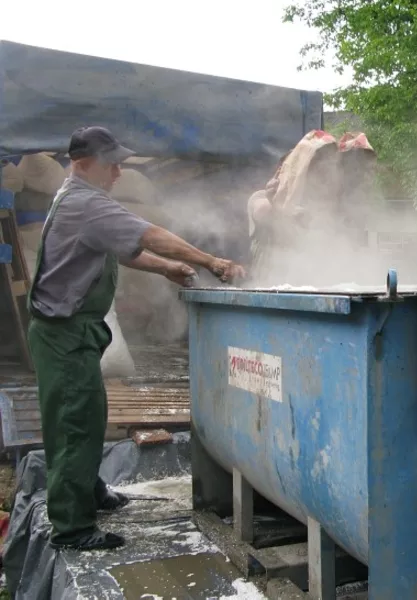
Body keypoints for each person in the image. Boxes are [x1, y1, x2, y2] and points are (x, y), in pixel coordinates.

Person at [27, 126, 245, 551]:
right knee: (74, 424)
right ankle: (72, 528)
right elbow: (149, 235)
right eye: (113, 163)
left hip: (67, 331)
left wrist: (164, 268)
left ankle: (88, 489)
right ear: (84, 162)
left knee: (85, 416)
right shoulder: (85, 203)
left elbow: (125, 248)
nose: (119, 171)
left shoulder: (78, 198)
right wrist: (210, 261)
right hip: (64, 333)